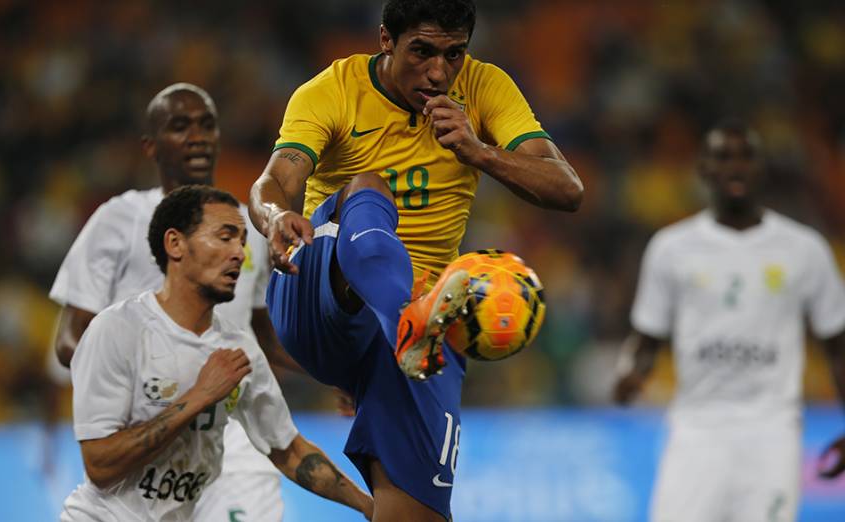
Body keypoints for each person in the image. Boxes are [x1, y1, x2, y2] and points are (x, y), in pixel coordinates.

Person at [249, 0, 583, 519]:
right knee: (367, 187)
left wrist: (479, 152)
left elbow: (567, 188)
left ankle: (407, 329)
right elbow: (275, 182)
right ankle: (403, 320)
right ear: (386, 40)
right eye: (422, 51)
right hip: (314, 291)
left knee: (415, 512)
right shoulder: (331, 91)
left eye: (454, 55)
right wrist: (274, 218)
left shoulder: (484, 87)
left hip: (427, 321)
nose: (438, 72)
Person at [48, 83, 297, 521]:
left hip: (233, 432)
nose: (197, 136)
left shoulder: (247, 229)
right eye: (180, 126)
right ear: (150, 146)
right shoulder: (118, 218)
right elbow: (70, 339)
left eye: (207, 125)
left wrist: (337, 376)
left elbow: (263, 338)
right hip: (150, 432)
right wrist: (160, 376)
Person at [61, 185, 372, 521]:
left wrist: (371, 508)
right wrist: (199, 397)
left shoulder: (238, 348)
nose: (239, 252)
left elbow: (291, 452)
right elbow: (99, 464)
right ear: (175, 244)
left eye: (241, 240)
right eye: (225, 237)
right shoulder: (117, 330)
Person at [613, 120, 845, 521]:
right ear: (704, 170)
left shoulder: (804, 250)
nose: (735, 167)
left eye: (746, 156)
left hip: (772, 431)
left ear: (762, 168)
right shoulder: (671, 248)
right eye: (723, 157)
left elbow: (837, 344)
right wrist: (631, 374)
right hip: (697, 428)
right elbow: (647, 338)